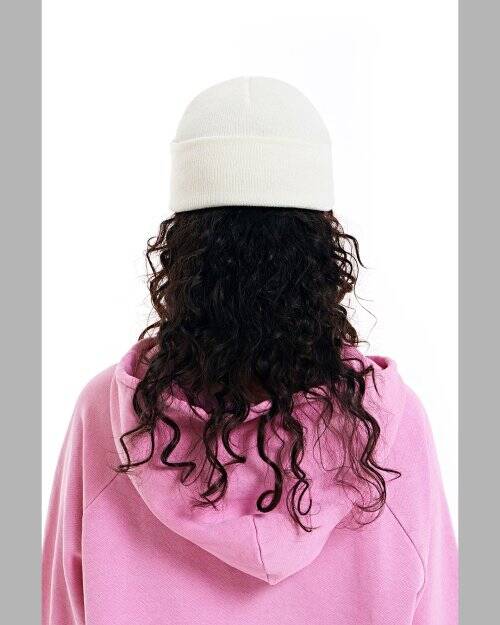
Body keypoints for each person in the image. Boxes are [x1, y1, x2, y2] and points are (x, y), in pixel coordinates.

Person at [42, 77, 458, 625]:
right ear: (323, 256)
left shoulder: (108, 416)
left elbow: (60, 608)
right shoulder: (388, 423)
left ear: (181, 256)